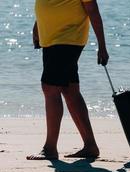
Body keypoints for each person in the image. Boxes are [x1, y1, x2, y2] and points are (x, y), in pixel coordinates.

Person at [27, 0, 109, 160]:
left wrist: (102, 46)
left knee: (50, 87)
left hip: (67, 38)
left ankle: (50, 148)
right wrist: (37, 28)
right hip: (51, 40)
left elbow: (92, 10)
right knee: (70, 90)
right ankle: (90, 145)